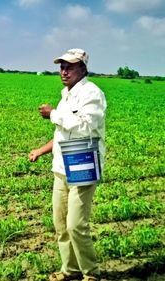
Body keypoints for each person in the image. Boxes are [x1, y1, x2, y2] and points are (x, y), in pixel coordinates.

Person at [29, 48, 106, 281]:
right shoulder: (66, 94)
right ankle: (70, 270)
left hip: (82, 165)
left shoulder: (92, 94)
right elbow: (63, 133)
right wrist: (41, 150)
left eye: (69, 67)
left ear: (83, 69)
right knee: (61, 224)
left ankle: (91, 273)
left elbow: (84, 127)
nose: (64, 71)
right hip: (61, 168)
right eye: (62, 67)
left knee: (76, 225)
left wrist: (53, 114)